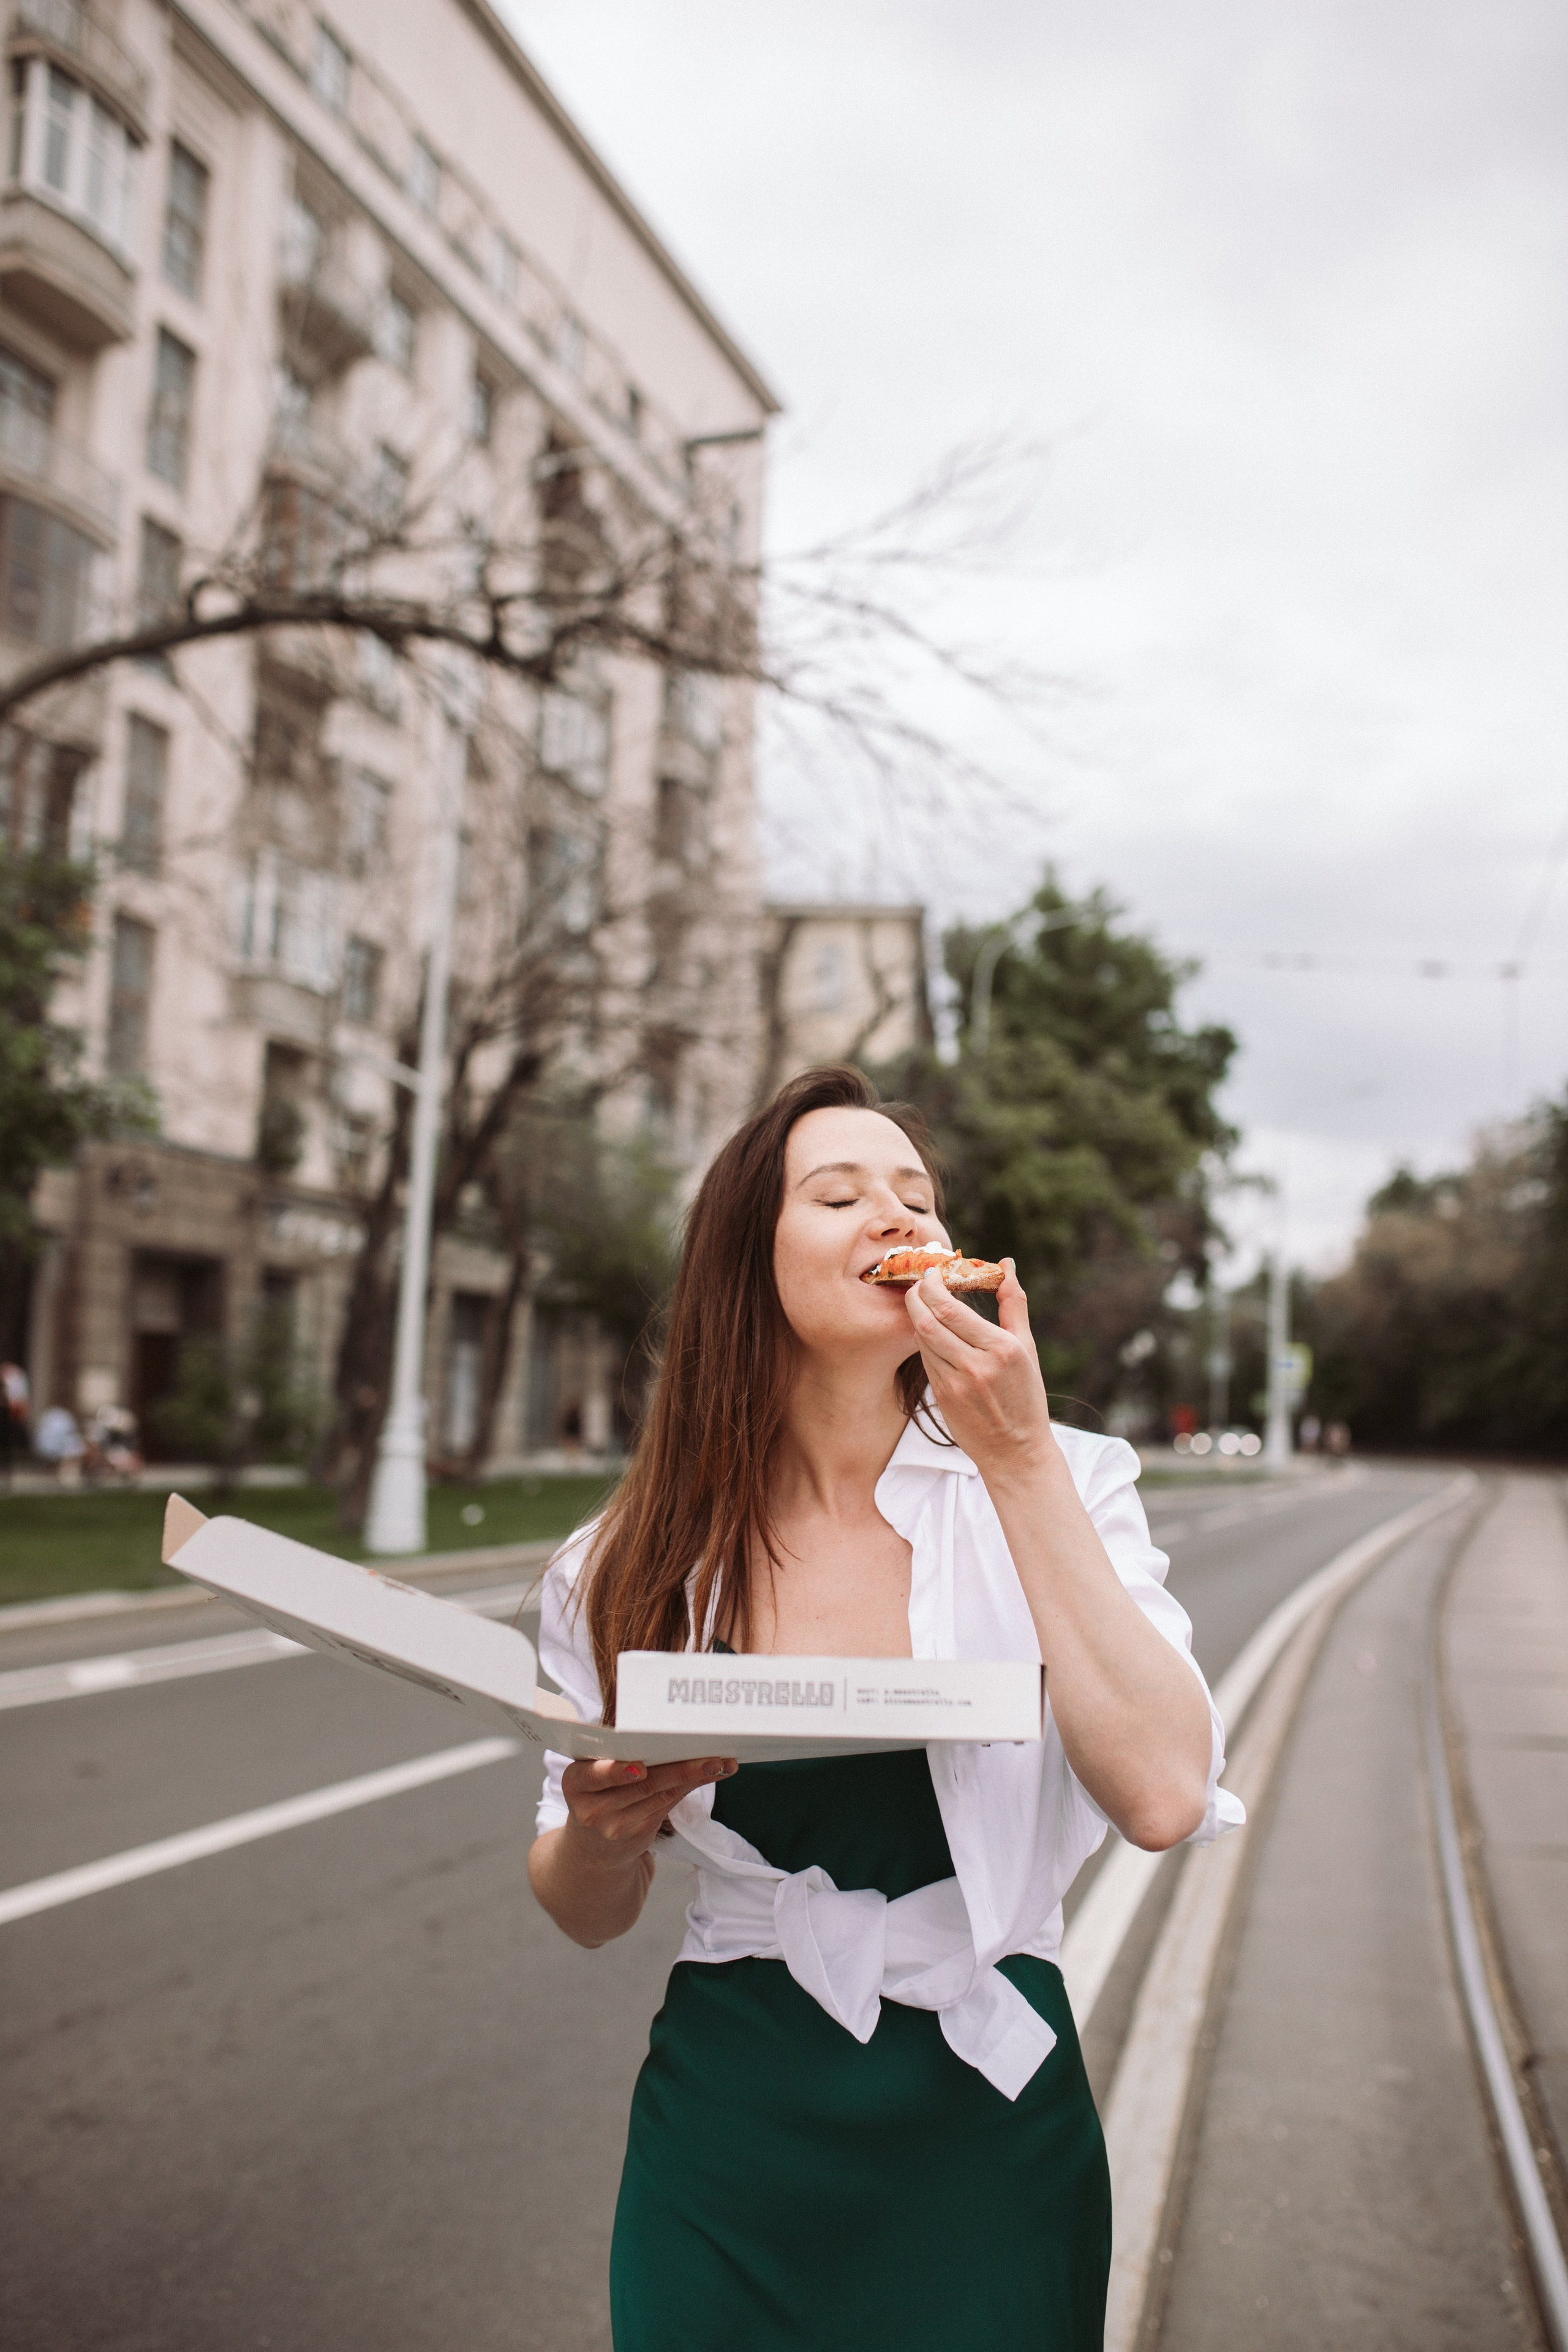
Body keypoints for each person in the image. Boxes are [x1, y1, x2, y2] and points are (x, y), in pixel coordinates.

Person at [528, 1067, 1241, 2351]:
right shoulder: (623, 1559)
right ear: (746, 1259)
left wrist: (1016, 1458)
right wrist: (600, 1831)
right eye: (837, 1193)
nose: (891, 1216)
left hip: (984, 2122)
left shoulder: (1066, 1477)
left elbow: (1161, 1795)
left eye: (915, 1197)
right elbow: (584, 1913)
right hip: (726, 2132)